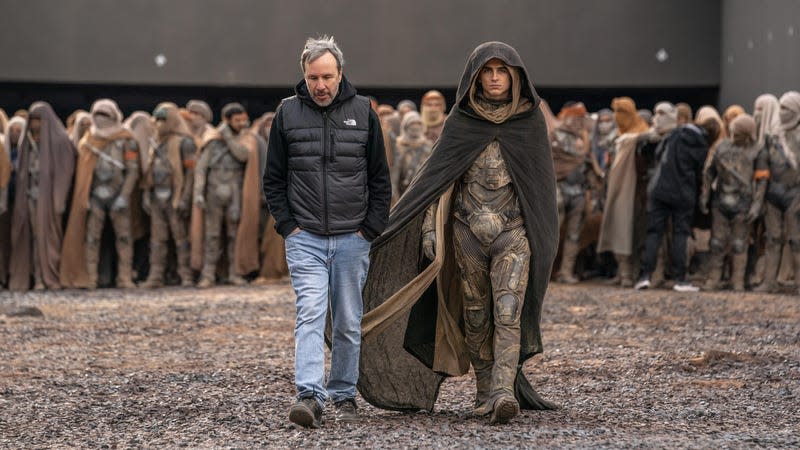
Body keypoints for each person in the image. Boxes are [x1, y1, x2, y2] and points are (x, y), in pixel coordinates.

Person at [356, 41, 558, 425]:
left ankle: (503, 390)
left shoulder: (529, 122)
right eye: (488, 71)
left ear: (515, 77)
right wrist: (430, 231)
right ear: (476, 77)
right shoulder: (462, 121)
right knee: (477, 315)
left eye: (502, 71)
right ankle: (485, 390)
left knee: (508, 311)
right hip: (466, 232)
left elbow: (540, 190)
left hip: (513, 231)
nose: (495, 78)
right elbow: (435, 179)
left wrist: (541, 238)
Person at [265, 36, 390, 428]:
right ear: (304, 75)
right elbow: (273, 179)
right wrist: (290, 227)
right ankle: (309, 394)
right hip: (306, 238)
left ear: (341, 74)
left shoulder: (364, 111)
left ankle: (343, 394)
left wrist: (368, 229)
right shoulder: (286, 114)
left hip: (352, 237)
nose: (320, 85)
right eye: (313, 77)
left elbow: (379, 179)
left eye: (327, 77)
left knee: (350, 320)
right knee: (310, 313)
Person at [635, 113, 720, 291]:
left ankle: (644, 276)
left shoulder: (675, 134)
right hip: (683, 193)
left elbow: (659, 154)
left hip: (659, 189)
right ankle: (680, 279)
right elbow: (698, 173)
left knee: (653, 233)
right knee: (680, 234)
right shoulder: (702, 146)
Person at [60, 99, 140, 289]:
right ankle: (91, 278)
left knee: (124, 237)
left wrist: (124, 195)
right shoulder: (88, 139)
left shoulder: (126, 139)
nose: (100, 118)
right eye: (97, 114)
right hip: (95, 195)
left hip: (118, 194)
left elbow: (133, 170)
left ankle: (125, 277)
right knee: (91, 238)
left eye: (105, 115)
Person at [9, 102, 76, 291]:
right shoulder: (27, 143)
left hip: (50, 200)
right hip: (31, 198)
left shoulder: (60, 141)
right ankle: (37, 277)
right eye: (33, 120)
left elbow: (65, 172)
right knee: (34, 238)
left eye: (39, 120)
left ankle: (50, 276)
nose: (35, 124)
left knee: (49, 239)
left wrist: (58, 199)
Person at [193, 102, 260, 288]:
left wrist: (229, 137)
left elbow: (243, 156)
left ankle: (234, 272)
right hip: (214, 190)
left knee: (234, 235)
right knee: (212, 235)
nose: (241, 123)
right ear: (227, 120)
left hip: (235, 190)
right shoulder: (212, 139)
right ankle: (208, 274)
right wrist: (199, 192)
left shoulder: (245, 138)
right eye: (237, 120)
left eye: (243, 120)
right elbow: (201, 168)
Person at [700, 114, 767, 291]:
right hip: (721, 201)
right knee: (717, 242)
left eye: (739, 134)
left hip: (743, 203)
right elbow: (709, 172)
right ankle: (713, 278)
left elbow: (762, 180)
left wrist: (757, 204)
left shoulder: (757, 150)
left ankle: (737, 280)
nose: (735, 137)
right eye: (734, 133)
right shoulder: (722, 147)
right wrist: (705, 195)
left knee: (740, 243)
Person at [139, 104, 197, 288]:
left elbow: (190, 174)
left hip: (175, 196)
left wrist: (184, 198)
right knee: (157, 239)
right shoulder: (155, 141)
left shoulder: (185, 142)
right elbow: (150, 171)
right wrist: (147, 194)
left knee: (180, 239)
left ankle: (185, 275)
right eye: (156, 118)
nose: (158, 123)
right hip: (157, 196)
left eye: (163, 118)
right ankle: (155, 276)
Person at [596, 97, 650, 287]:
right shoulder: (617, 135)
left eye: (622, 113)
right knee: (617, 229)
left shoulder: (640, 133)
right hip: (616, 189)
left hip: (636, 192)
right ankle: (623, 272)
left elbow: (652, 138)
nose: (618, 117)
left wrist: (634, 138)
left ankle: (631, 273)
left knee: (632, 233)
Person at [551, 102, 602, 283]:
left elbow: (589, 164)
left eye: (581, 118)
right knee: (552, 234)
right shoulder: (554, 136)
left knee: (574, 235)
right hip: (558, 190)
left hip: (579, 192)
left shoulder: (585, 139)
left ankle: (566, 272)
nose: (578, 122)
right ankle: (544, 272)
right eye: (575, 118)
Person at [755, 91, 800, 293]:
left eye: (786, 108)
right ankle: (769, 281)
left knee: (796, 240)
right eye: (780, 107)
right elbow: (763, 169)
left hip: (795, 195)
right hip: (773, 195)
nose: (782, 113)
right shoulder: (771, 136)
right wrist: (759, 200)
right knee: (772, 238)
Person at [392, 111, 432, 200]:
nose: (415, 126)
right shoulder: (398, 145)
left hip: (422, 190)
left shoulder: (427, 145)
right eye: (412, 123)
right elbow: (395, 170)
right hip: (403, 189)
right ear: (405, 126)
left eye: (418, 123)